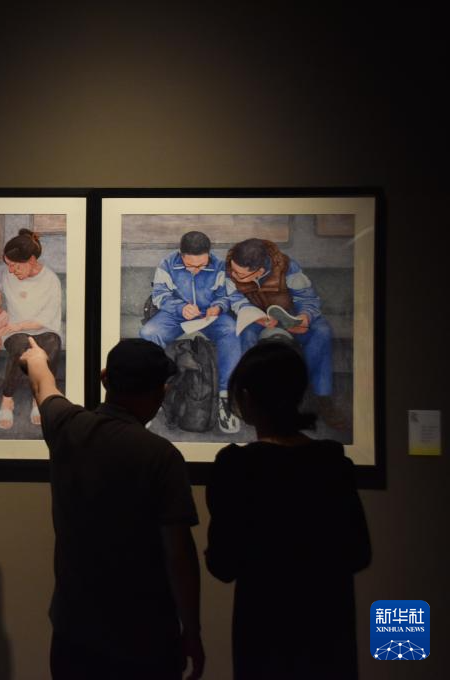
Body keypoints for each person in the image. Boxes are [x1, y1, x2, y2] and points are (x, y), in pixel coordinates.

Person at [21, 336, 205, 680]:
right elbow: (179, 553)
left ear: (105, 378)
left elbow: (42, 384)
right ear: (161, 393)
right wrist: (192, 630)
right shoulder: (161, 456)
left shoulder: (66, 426)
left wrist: (35, 357)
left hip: (74, 630)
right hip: (144, 636)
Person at [205, 342, 370, 680]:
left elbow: (223, 564)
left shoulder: (237, 467)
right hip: (328, 629)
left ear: (246, 398)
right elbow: (358, 554)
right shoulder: (332, 463)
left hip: (265, 631)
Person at [224, 237, 346, 429]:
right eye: (233, 270)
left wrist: (304, 317)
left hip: (290, 315)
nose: (233, 275)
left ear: (259, 271)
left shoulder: (288, 268)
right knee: (245, 335)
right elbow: (235, 299)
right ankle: (246, 395)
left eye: (240, 274)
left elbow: (307, 299)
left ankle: (318, 395)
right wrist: (253, 314)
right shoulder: (231, 267)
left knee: (321, 331)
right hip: (256, 318)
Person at [140, 230, 242, 434]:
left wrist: (218, 307)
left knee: (232, 330)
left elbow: (226, 295)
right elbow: (159, 295)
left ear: (209, 254)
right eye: (190, 266)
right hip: (176, 315)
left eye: (202, 265)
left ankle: (225, 398)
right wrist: (180, 308)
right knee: (148, 332)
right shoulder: (167, 264)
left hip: (209, 315)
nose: (196, 270)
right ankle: (152, 395)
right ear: (181, 254)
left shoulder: (220, 265)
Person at [0, 229, 62, 430]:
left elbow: (46, 318)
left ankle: (39, 398)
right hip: (14, 332)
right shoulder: (8, 274)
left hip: (43, 328)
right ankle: (7, 400)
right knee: (21, 347)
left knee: (52, 345)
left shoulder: (50, 280)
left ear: (31, 260)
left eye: (15, 265)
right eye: (8, 265)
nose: (11, 271)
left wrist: (19, 325)